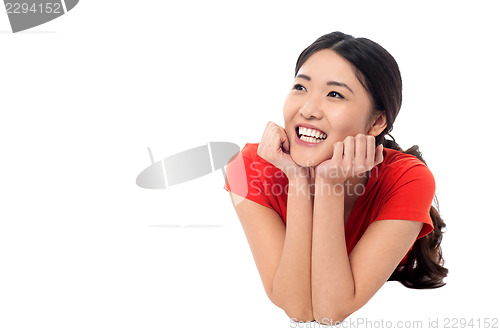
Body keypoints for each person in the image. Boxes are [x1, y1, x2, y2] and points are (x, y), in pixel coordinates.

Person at [223, 31, 448, 325]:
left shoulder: (408, 179)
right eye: (300, 87)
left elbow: (330, 312)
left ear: (377, 121)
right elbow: (297, 309)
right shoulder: (245, 167)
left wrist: (330, 185)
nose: (307, 110)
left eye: (334, 94)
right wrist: (298, 178)